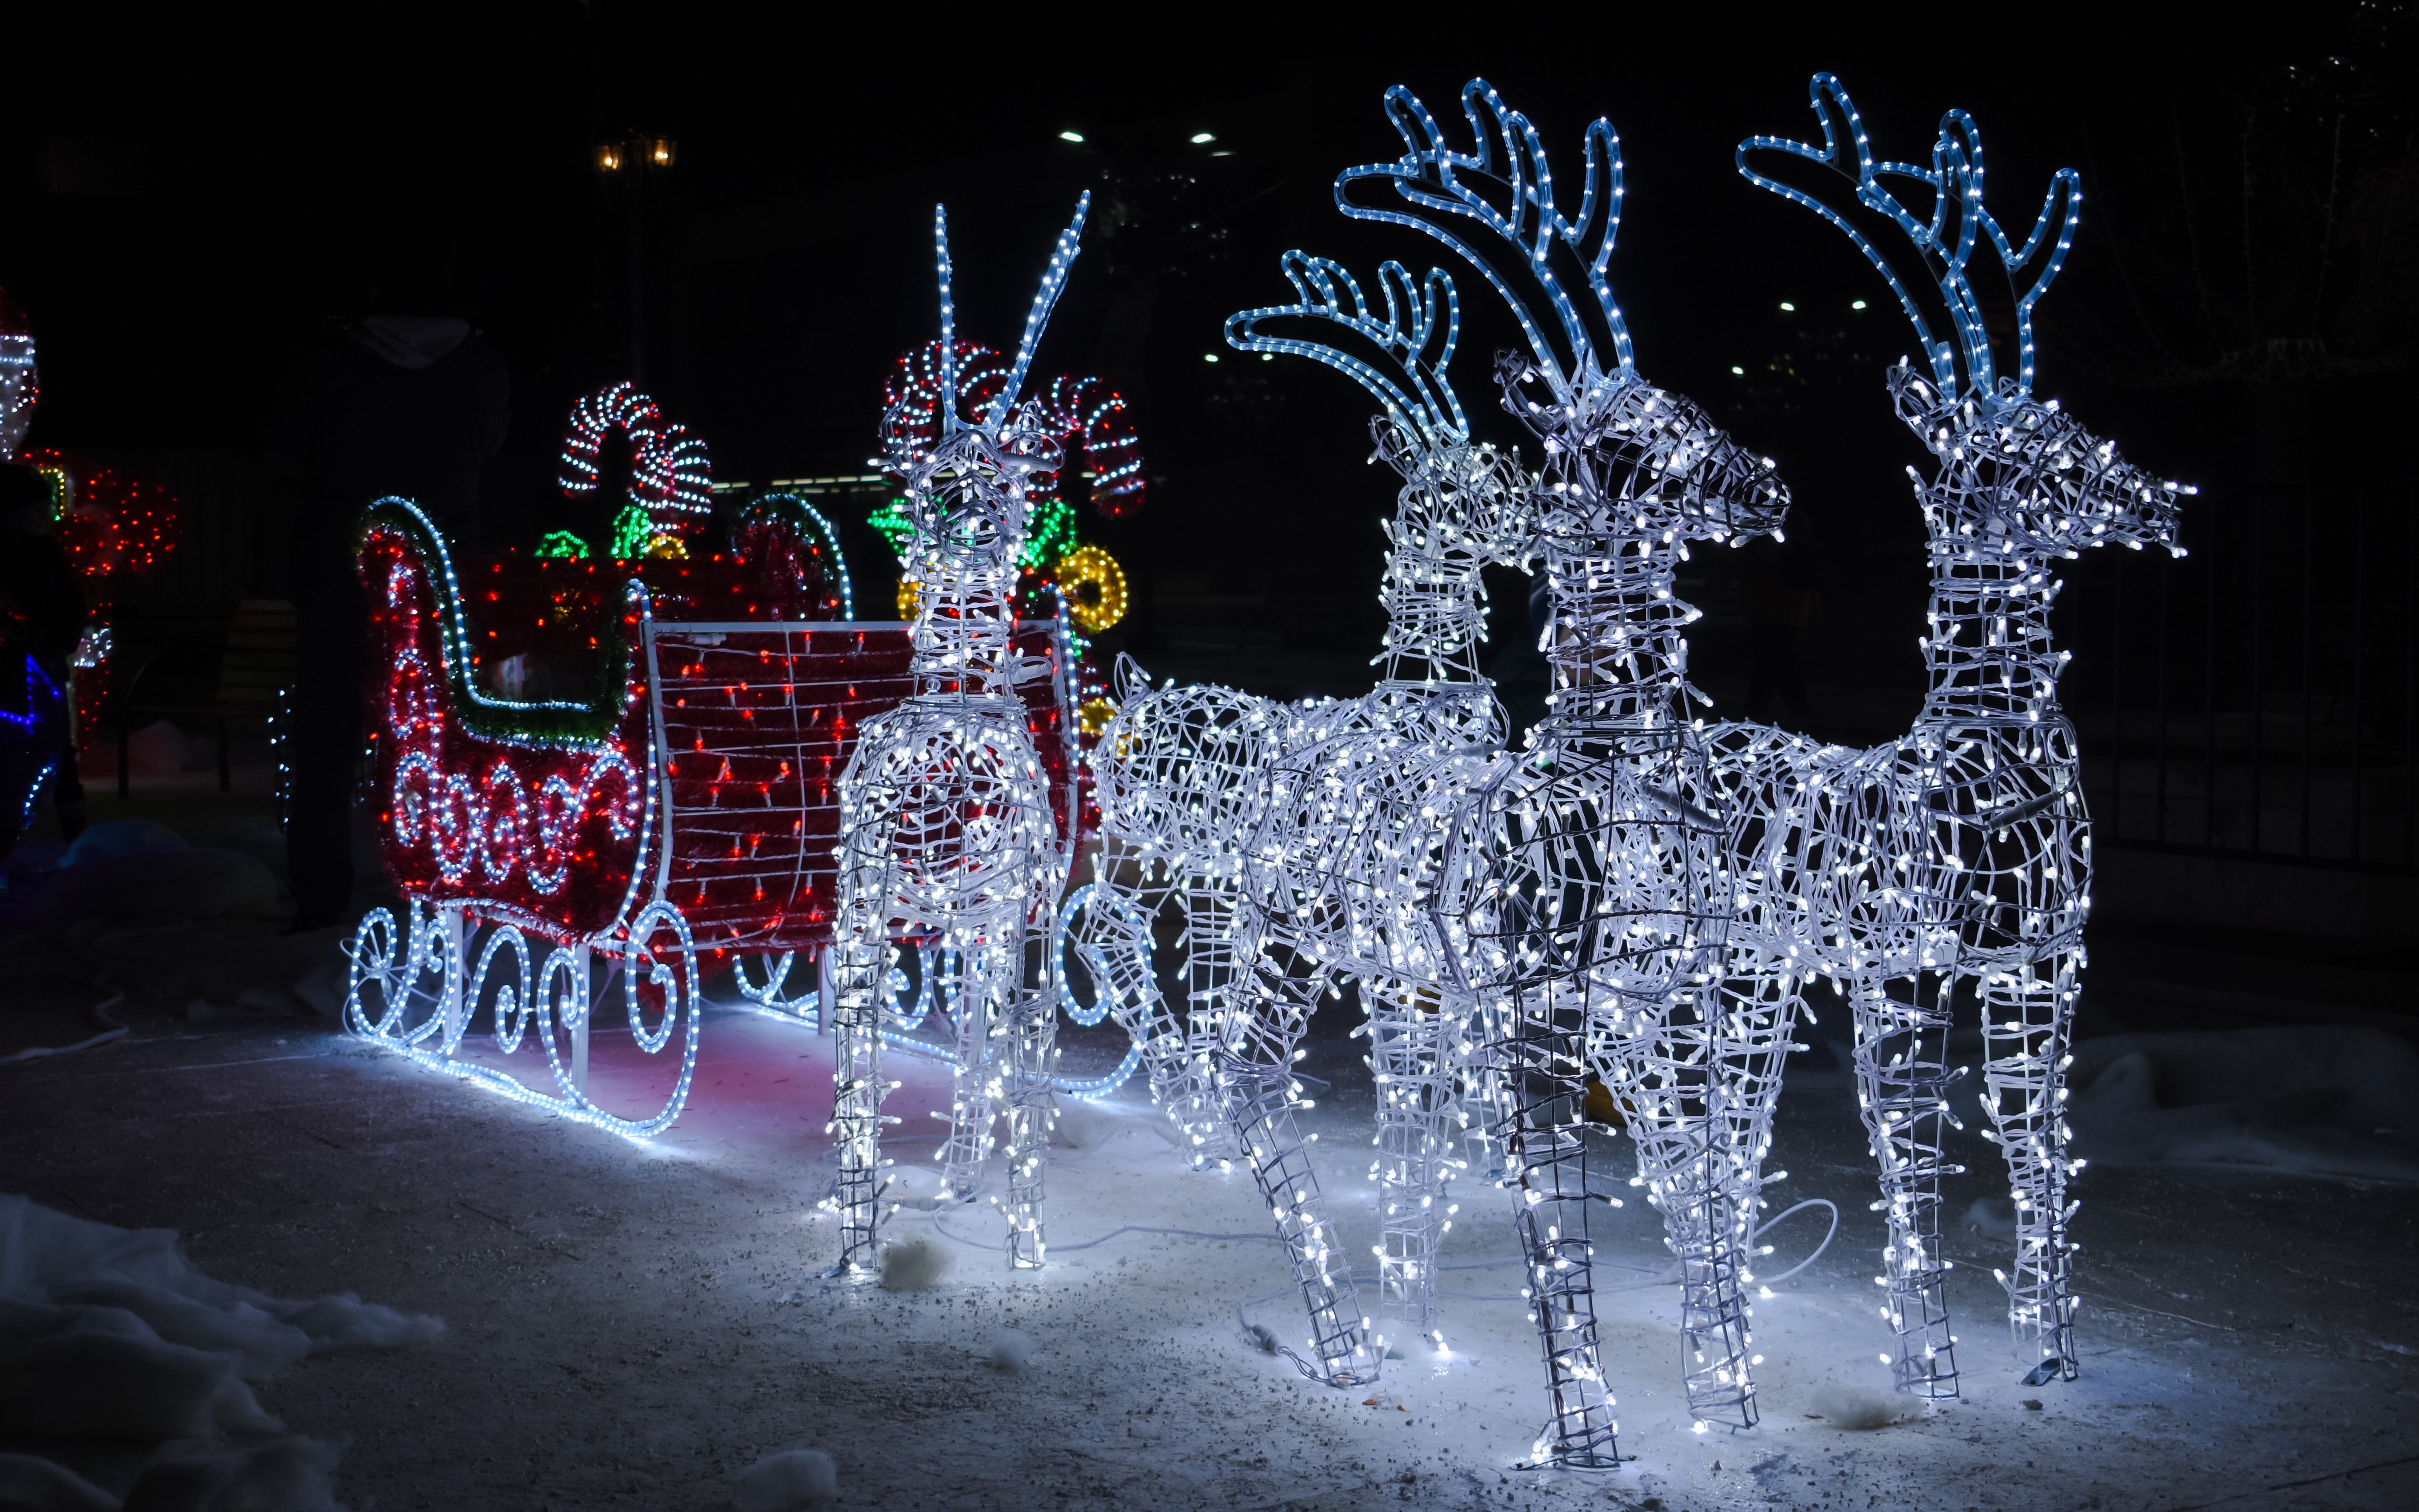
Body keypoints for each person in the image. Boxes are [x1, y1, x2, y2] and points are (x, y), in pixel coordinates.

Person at [273, 251, 508, 931]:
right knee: (442, 733)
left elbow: (292, 455)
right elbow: (487, 449)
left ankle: (320, 895)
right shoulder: (482, 366)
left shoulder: (333, 363)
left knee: (326, 737)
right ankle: (439, 890)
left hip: (337, 566)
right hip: (443, 567)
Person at [0, 463, 89, 849]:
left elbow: (70, 604)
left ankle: (77, 835)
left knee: (59, 753)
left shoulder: (47, 553)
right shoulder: (22, 556)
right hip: (14, 671)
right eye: (36, 508)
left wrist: (59, 640)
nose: (44, 516)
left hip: (43, 666)